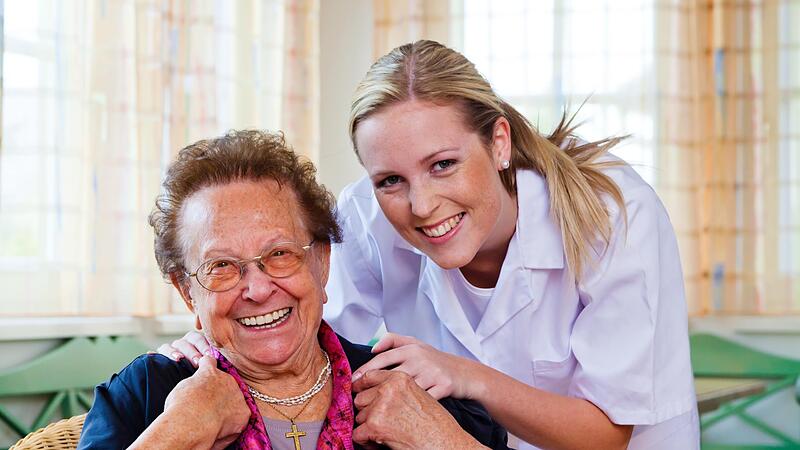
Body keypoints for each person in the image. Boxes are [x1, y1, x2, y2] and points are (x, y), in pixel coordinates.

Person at [160, 41, 699, 449]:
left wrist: (465, 375)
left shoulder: (611, 214)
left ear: (499, 141)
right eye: (390, 179)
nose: (420, 205)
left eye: (443, 165)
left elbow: (607, 436)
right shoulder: (365, 218)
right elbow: (308, 343)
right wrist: (213, 339)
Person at [78, 130, 511, 449]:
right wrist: (176, 434)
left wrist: (440, 440)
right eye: (222, 266)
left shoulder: (410, 390)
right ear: (188, 292)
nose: (259, 288)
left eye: (280, 254)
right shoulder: (146, 396)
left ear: (321, 263)